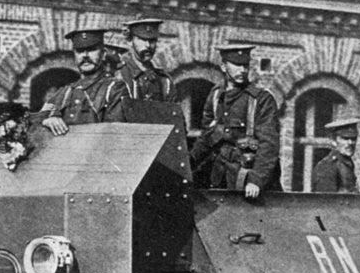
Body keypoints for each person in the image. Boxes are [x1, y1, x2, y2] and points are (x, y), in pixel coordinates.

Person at [189, 44, 282, 199]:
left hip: (250, 182)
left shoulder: (261, 100)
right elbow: (206, 137)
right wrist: (188, 163)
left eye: (245, 65)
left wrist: (256, 180)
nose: (242, 70)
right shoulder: (216, 96)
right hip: (220, 178)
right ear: (224, 67)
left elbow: (269, 145)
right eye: (237, 65)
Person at [41, 27, 130, 136]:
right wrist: (47, 121)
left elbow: (113, 133)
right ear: (74, 55)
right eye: (80, 51)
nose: (85, 55)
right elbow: (37, 120)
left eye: (92, 49)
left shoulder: (114, 89)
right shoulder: (66, 92)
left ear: (103, 54)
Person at [118, 17, 176, 102]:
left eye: (152, 40)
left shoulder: (164, 81)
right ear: (130, 41)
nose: (148, 45)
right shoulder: (120, 75)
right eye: (142, 40)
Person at [311, 117, 360, 193]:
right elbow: (327, 202)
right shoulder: (326, 166)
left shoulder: (346, 163)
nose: (350, 143)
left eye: (353, 138)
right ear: (334, 140)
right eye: (345, 138)